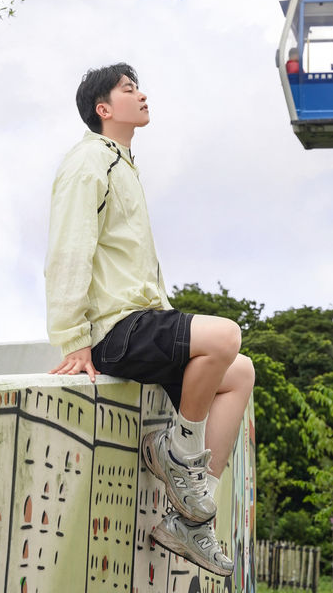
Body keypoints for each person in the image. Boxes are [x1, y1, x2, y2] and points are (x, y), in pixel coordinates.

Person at [44, 63, 255, 576]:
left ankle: (191, 521)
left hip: (142, 321)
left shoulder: (123, 163)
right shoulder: (89, 161)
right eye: (128, 89)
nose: (141, 96)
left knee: (240, 373)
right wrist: (73, 339)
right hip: (115, 331)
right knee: (225, 335)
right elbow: (69, 249)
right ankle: (173, 451)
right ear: (103, 108)